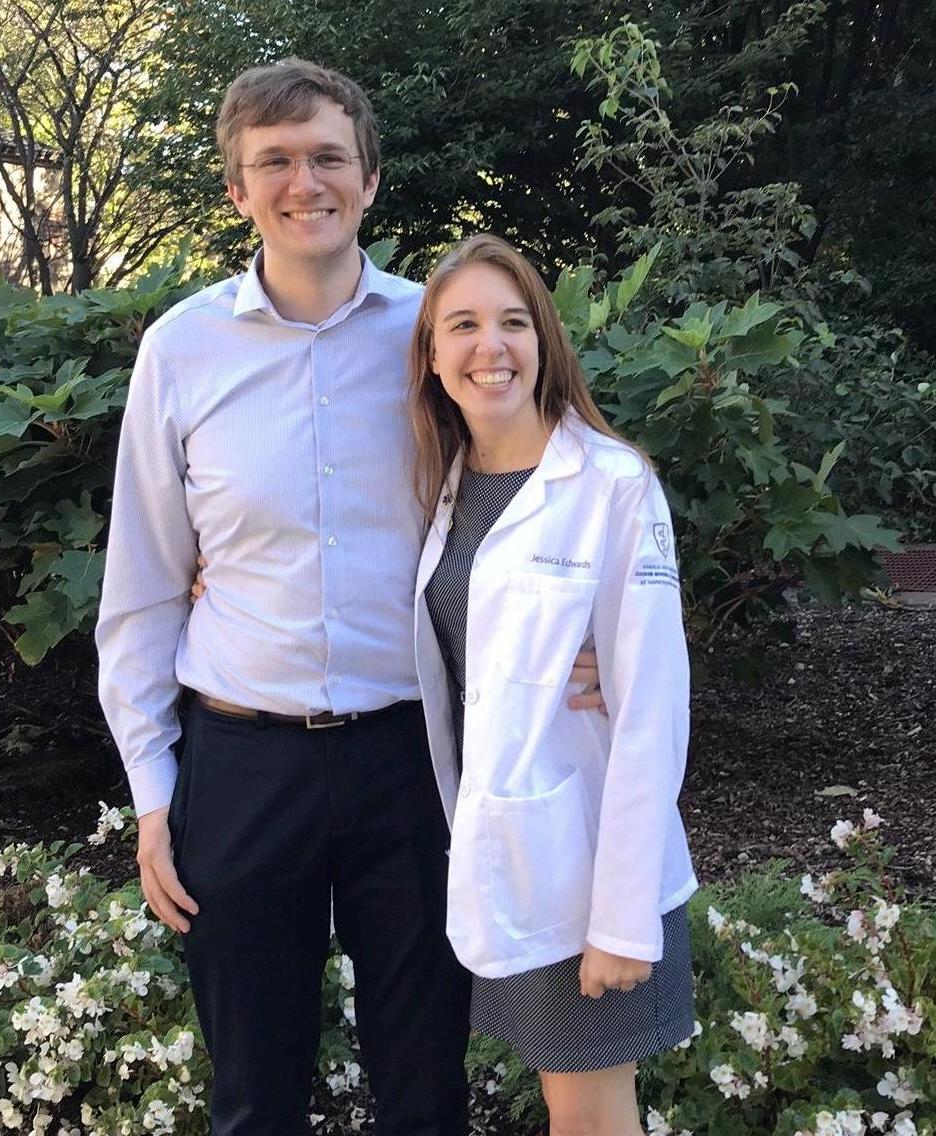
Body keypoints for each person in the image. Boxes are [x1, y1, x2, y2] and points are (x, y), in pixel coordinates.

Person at [97, 59, 602, 1136]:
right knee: (252, 1091)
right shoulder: (178, 351)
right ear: (236, 191)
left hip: (410, 757)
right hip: (241, 761)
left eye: (327, 156)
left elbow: (542, 507)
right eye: (272, 162)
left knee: (424, 1084)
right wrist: (152, 790)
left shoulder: (443, 337)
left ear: (369, 178)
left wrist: (580, 640)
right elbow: (141, 590)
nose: (302, 181)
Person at [409, 235, 698, 1136]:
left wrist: (620, 919)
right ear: (431, 355)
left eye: (512, 322)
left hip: (588, 868)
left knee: (592, 1115)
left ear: (544, 342)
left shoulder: (612, 484)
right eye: (462, 325)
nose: (489, 346)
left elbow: (653, 708)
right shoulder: (445, 486)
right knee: (561, 1099)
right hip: (506, 856)